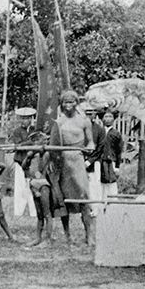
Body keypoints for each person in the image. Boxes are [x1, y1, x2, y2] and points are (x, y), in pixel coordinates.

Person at [47, 90, 96, 246]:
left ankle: (89, 235)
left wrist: (89, 147)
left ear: (76, 103)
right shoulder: (59, 122)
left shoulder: (84, 121)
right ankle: (67, 234)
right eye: (65, 102)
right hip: (63, 162)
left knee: (83, 197)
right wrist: (53, 159)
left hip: (78, 161)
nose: (68, 105)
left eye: (71, 102)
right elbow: (53, 144)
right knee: (64, 199)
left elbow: (91, 142)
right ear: (62, 104)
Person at [10, 107, 39, 218]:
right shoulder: (17, 131)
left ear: (31, 119)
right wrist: (30, 142)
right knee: (20, 187)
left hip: (32, 162)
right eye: (22, 118)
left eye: (27, 118)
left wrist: (30, 143)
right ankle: (18, 211)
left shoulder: (34, 130)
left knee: (33, 185)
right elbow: (18, 145)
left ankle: (34, 211)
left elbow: (38, 141)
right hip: (20, 160)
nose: (24, 121)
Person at [84, 106, 106, 216]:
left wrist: (90, 161)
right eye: (87, 113)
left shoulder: (99, 129)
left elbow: (101, 147)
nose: (89, 116)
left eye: (91, 113)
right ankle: (84, 208)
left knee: (95, 186)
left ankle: (95, 208)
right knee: (82, 185)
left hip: (95, 162)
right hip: (81, 161)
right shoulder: (80, 128)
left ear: (95, 114)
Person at [98, 110, 123, 200]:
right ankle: (101, 202)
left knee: (111, 181)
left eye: (110, 117)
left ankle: (112, 201)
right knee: (100, 182)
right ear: (102, 119)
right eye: (106, 116)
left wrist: (117, 166)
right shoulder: (99, 132)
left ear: (114, 119)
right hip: (100, 160)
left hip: (111, 161)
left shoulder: (116, 133)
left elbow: (119, 151)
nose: (108, 119)